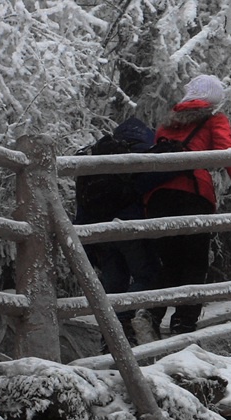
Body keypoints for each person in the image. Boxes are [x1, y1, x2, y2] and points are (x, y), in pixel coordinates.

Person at [142, 74, 231, 336]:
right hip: (191, 194)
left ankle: (150, 316)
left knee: (167, 259)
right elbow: (229, 153)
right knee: (194, 261)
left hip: (157, 198)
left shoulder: (167, 123)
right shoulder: (213, 120)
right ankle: (183, 324)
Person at [74, 117, 161, 349]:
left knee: (113, 285)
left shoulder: (96, 160)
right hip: (128, 226)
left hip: (101, 234)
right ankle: (134, 315)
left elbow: (81, 208)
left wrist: (88, 248)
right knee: (148, 275)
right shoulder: (136, 153)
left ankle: (113, 340)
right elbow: (149, 180)